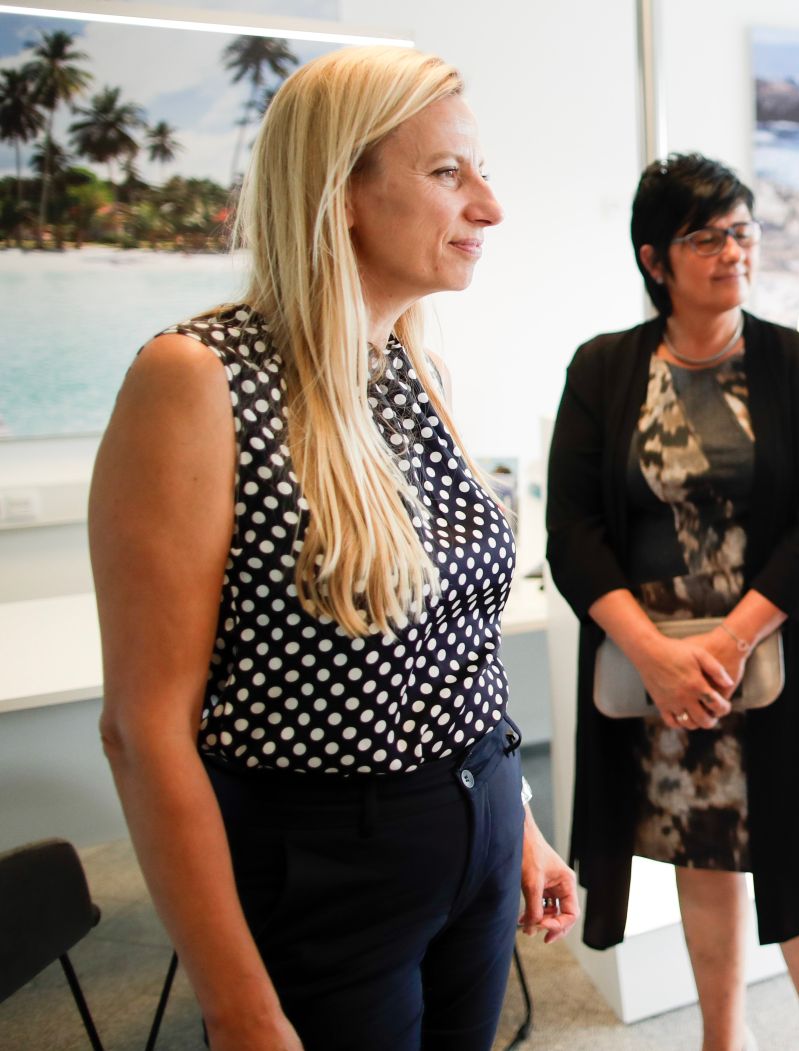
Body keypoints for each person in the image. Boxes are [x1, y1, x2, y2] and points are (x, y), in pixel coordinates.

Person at [91, 46, 577, 1051]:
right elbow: (143, 731)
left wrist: (515, 821)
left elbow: (455, 647)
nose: (487, 205)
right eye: (449, 173)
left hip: (474, 841)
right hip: (324, 872)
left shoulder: (410, 359)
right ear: (340, 191)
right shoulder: (198, 378)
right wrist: (238, 1003)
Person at [547, 152, 799, 1051]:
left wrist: (725, 642)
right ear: (656, 259)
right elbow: (572, 532)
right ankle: (721, 1040)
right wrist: (655, 654)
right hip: (658, 665)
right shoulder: (604, 369)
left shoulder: (796, 363)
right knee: (703, 847)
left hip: (776, 651)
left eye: (742, 231)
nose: (733, 252)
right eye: (706, 237)